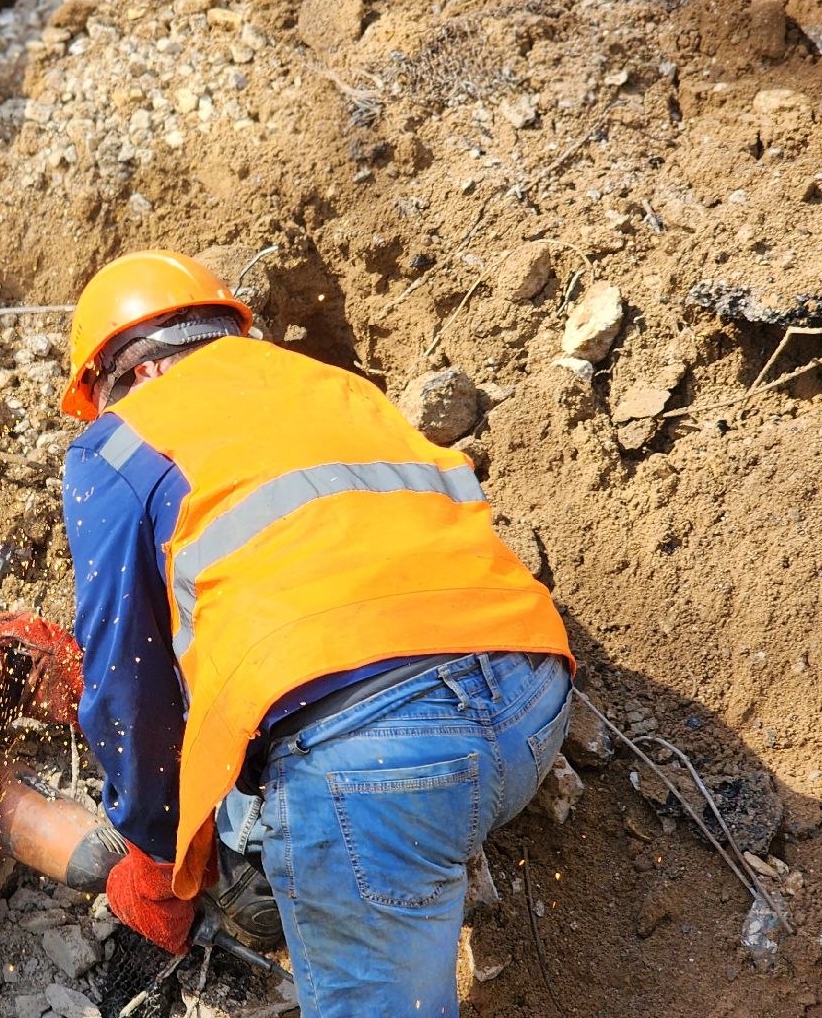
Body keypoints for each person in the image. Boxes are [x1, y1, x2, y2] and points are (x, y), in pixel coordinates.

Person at [49, 249, 574, 1016]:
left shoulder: (121, 442)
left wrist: (160, 851)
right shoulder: (335, 387)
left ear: (131, 372)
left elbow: (129, 678)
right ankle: (381, 865)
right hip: (532, 703)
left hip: (378, 763)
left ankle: (360, 874)